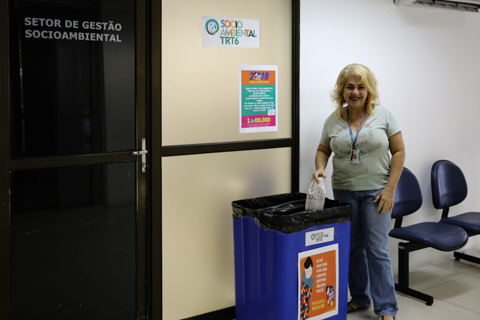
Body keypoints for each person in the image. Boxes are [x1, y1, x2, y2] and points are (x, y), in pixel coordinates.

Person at [312, 63, 405, 320]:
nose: (355, 92)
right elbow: (323, 150)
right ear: (341, 91)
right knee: (352, 248)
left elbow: (399, 152)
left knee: (376, 249)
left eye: (361, 87)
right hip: (344, 191)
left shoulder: (383, 115)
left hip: (377, 192)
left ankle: (386, 307)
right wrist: (320, 168)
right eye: (350, 87)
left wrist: (390, 190)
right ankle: (361, 298)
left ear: (369, 90)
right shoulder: (332, 120)